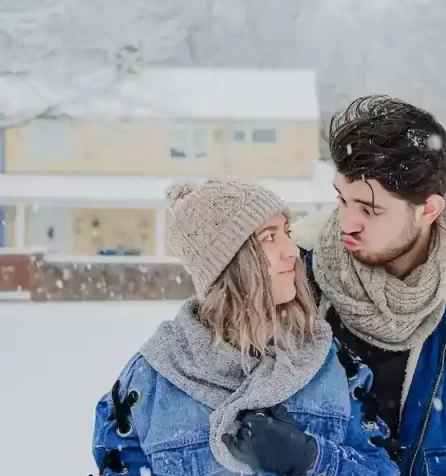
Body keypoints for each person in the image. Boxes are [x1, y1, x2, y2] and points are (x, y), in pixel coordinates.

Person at [91, 179, 400, 476]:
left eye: (286, 232)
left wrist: (311, 458)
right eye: (269, 236)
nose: (292, 251)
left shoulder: (331, 367)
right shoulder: (148, 384)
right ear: (229, 264)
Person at [291, 96, 446, 475]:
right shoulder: (295, 271)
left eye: (370, 210)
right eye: (342, 199)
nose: (348, 223)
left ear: (428, 210)